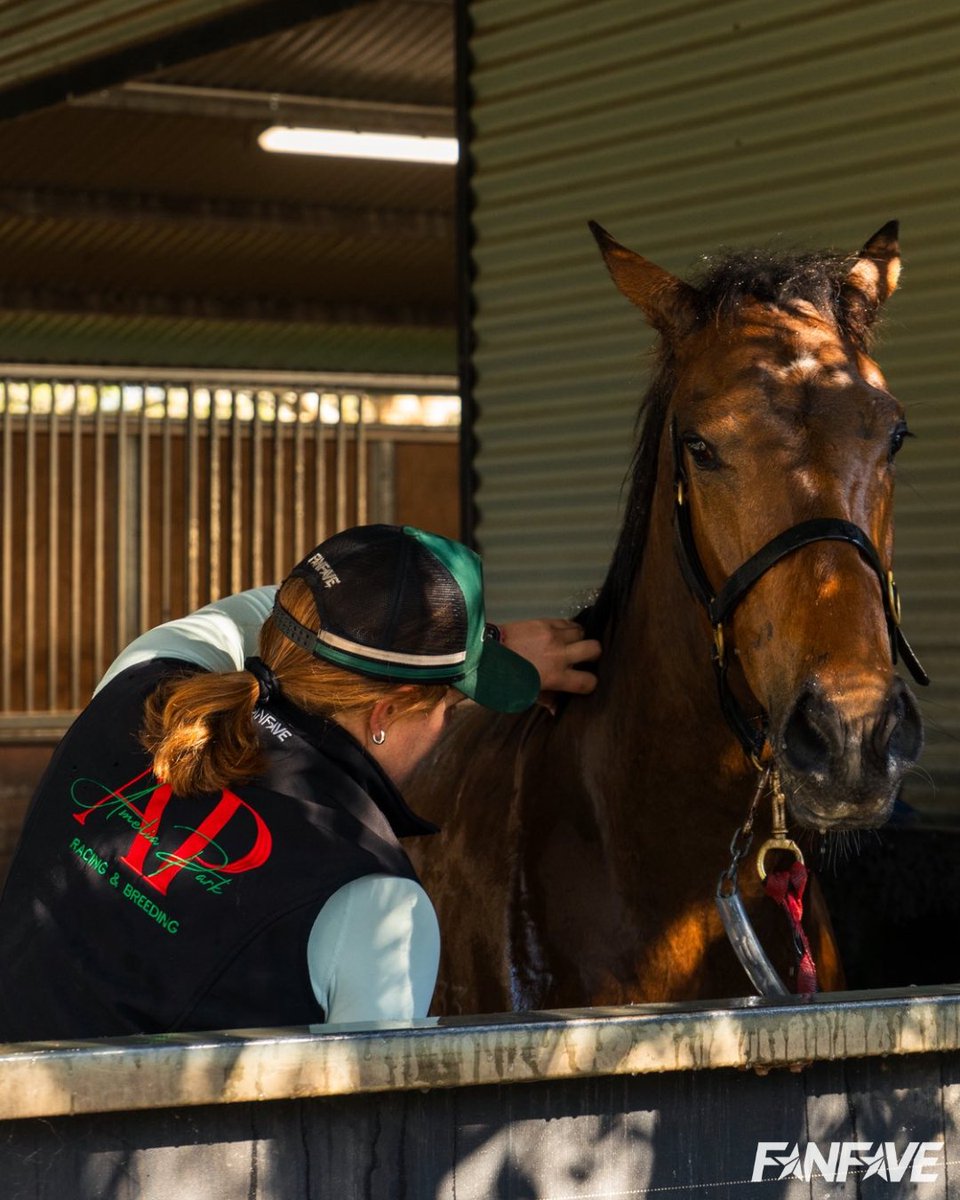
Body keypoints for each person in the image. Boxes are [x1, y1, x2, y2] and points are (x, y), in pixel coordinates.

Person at [0, 524, 600, 1039]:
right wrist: (469, 646)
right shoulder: (378, 903)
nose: (448, 723)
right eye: (449, 704)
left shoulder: (142, 681)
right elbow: (361, 1144)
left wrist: (470, 646)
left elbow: (253, 613)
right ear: (387, 714)